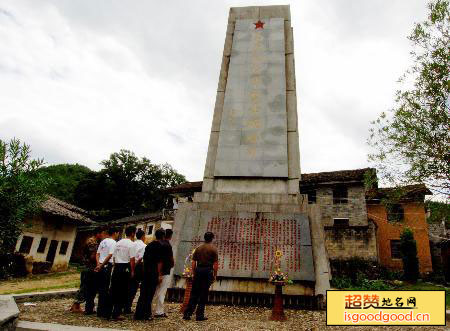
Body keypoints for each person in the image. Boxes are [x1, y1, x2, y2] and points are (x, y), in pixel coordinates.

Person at [183, 231, 218, 321]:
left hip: (198, 270)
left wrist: (194, 273)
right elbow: (215, 264)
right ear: (212, 238)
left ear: (204, 238)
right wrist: (215, 275)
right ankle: (199, 315)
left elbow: (194, 262)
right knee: (204, 293)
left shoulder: (198, 248)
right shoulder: (213, 249)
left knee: (194, 293)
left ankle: (187, 314)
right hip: (207, 271)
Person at [70, 226, 105, 314]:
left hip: (89, 266)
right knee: (85, 286)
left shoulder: (95, 241)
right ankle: (75, 305)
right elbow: (92, 256)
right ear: (98, 234)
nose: (103, 235)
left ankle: (77, 305)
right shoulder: (92, 242)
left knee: (87, 286)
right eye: (102, 233)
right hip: (88, 266)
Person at [134, 228, 166, 321]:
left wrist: (144, 270)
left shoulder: (149, 245)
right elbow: (159, 262)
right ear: (163, 236)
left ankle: (138, 314)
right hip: (153, 272)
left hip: (146, 271)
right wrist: (159, 274)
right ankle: (146, 314)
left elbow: (144, 260)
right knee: (149, 294)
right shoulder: (161, 247)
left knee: (143, 293)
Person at [107, 225, 136, 320]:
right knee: (123, 290)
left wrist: (115, 267)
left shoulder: (118, 242)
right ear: (132, 233)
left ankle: (108, 311)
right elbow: (132, 259)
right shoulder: (131, 244)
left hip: (117, 267)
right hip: (125, 267)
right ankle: (117, 313)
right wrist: (132, 271)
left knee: (113, 289)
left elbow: (114, 257)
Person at [95, 227, 119, 318]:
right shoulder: (113, 243)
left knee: (101, 289)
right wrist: (101, 265)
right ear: (115, 233)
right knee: (105, 289)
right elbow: (110, 255)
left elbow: (98, 253)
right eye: (117, 233)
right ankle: (103, 311)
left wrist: (98, 264)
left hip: (100, 265)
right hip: (106, 266)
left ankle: (99, 310)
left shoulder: (103, 241)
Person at [154, 228, 174, 318]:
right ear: (170, 236)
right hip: (164, 271)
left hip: (155, 270)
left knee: (154, 291)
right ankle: (159, 311)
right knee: (162, 291)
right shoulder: (167, 245)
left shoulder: (157, 244)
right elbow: (169, 259)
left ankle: (149, 309)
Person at [125, 228, 146, 314]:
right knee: (133, 288)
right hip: (137, 267)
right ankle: (127, 307)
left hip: (128, 265)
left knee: (127, 287)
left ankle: (124, 305)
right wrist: (134, 267)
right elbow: (140, 258)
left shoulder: (132, 244)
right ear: (143, 236)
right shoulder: (144, 246)